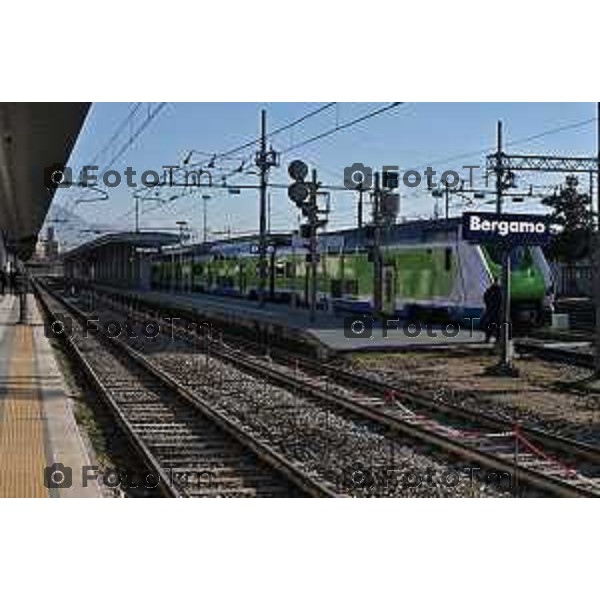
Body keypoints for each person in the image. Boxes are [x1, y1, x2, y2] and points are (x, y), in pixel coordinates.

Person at [481, 277, 502, 343]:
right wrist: (489, 304)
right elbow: (485, 297)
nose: (496, 283)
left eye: (497, 281)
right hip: (491, 310)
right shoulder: (491, 290)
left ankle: (497, 338)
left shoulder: (500, 290)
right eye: (495, 281)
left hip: (497, 311)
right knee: (488, 324)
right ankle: (488, 337)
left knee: (497, 326)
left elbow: (501, 300)